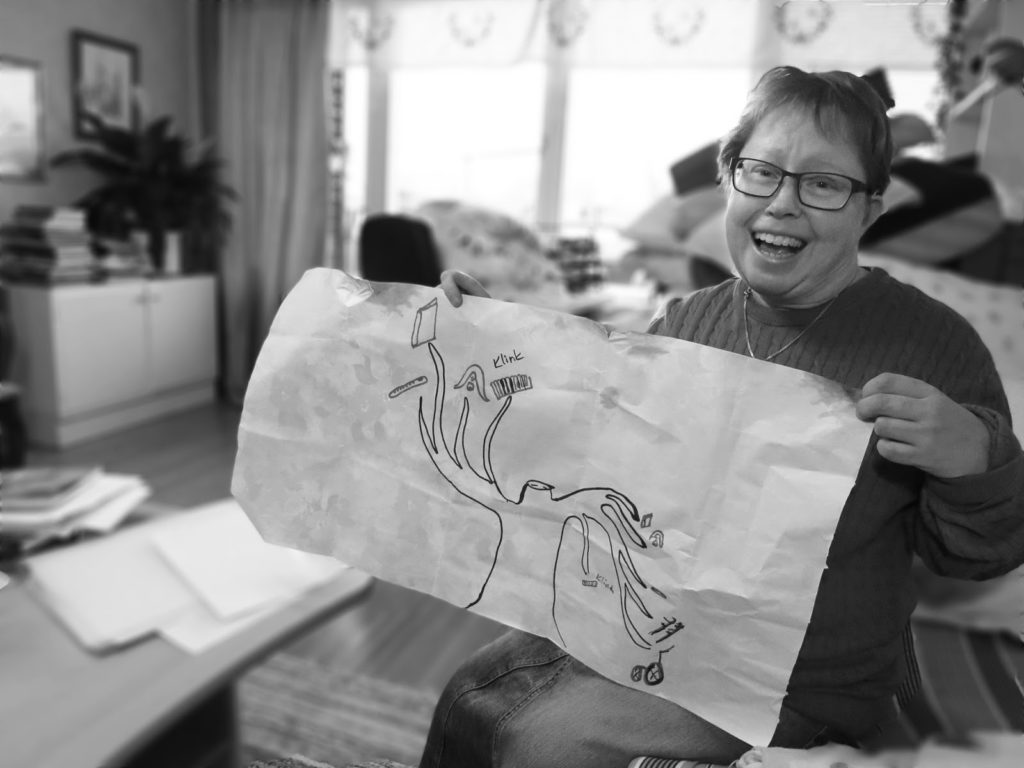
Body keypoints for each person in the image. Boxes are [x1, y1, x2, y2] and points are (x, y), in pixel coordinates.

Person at [418, 66, 1024, 768]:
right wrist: (499, 345)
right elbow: (597, 462)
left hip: (797, 683)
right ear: (729, 182)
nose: (783, 203)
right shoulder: (684, 321)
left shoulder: (935, 344)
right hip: (649, 626)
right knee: (466, 695)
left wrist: (974, 459)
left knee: (540, 743)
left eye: (824, 184)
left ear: (870, 211)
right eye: (760, 172)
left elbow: (981, 553)